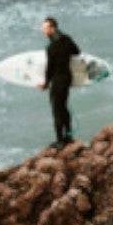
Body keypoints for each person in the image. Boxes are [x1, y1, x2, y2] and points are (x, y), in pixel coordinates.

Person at [39, 15, 81, 146]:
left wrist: (45, 84)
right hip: (67, 79)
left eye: (45, 27)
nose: (43, 30)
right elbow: (77, 52)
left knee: (57, 110)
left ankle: (59, 141)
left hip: (57, 81)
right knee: (64, 107)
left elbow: (49, 69)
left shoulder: (51, 47)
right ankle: (69, 136)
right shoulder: (66, 39)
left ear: (52, 28)